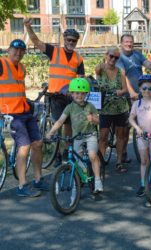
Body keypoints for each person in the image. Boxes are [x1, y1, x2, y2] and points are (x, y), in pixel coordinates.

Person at [24, 18, 84, 164]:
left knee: (69, 126)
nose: (71, 43)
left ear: (76, 42)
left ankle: (66, 152)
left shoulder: (78, 58)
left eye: (74, 41)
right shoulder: (54, 51)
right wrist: (28, 26)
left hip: (71, 97)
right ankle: (56, 154)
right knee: (57, 125)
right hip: (56, 96)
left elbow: (81, 78)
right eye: (69, 40)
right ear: (64, 39)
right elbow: (36, 42)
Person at [0, 39, 48, 197]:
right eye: (15, 49)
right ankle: (22, 185)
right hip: (10, 114)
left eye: (22, 51)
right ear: (8, 50)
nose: (18, 53)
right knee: (24, 146)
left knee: (38, 143)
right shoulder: (1, 64)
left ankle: (38, 179)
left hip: (24, 111)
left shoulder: (22, 67)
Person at [46, 78, 103, 193]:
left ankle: (97, 181)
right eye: (76, 93)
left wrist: (93, 119)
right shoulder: (70, 107)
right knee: (77, 160)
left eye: (82, 93)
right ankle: (84, 175)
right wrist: (50, 132)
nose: (79, 96)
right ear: (71, 94)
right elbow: (60, 121)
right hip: (77, 137)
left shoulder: (90, 106)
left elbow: (99, 120)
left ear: (86, 94)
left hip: (90, 135)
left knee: (92, 155)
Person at [116, 34, 151, 163]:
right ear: (121, 43)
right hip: (127, 95)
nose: (129, 44)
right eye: (126, 41)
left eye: (131, 41)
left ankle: (144, 151)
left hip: (140, 93)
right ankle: (122, 153)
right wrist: (131, 92)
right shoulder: (119, 58)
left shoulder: (137, 54)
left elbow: (148, 66)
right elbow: (123, 77)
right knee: (127, 125)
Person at [95, 47, 129, 173]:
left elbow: (125, 89)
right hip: (105, 108)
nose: (113, 59)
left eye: (116, 57)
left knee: (120, 135)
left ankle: (119, 162)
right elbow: (95, 83)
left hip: (120, 107)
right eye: (111, 56)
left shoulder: (120, 72)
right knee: (103, 136)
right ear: (106, 55)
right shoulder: (100, 69)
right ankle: (99, 163)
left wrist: (120, 92)